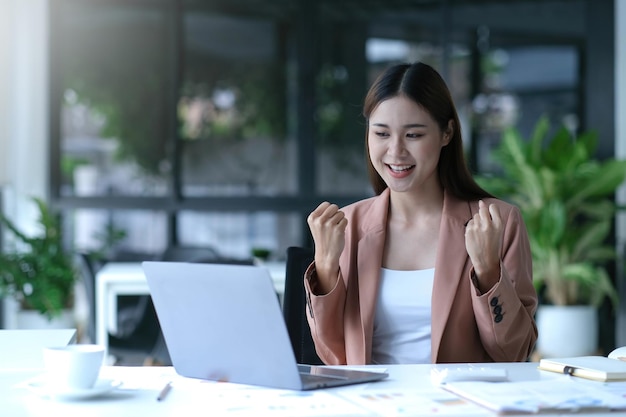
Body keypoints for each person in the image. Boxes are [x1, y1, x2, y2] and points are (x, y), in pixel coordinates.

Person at [304, 62, 537, 365]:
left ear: (446, 133)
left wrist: (488, 273)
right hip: (372, 405)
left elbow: (515, 353)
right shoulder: (347, 226)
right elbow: (332, 356)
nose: (396, 151)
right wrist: (324, 265)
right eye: (382, 134)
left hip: (458, 406)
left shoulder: (497, 223)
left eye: (413, 135)